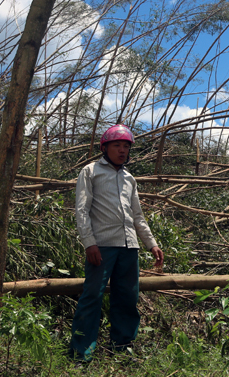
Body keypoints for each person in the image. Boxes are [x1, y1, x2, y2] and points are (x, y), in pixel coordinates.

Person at [69, 124, 164, 361]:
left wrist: (151, 243)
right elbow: (82, 210)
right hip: (101, 246)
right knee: (92, 296)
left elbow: (137, 216)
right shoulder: (91, 172)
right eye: (117, 145)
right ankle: (81, 353)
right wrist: (89, 243)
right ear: (105, 148)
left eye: (126, 146)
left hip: (129, 247)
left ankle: (122, 349)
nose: (122, 150)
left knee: (127, 298)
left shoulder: (129, 178)